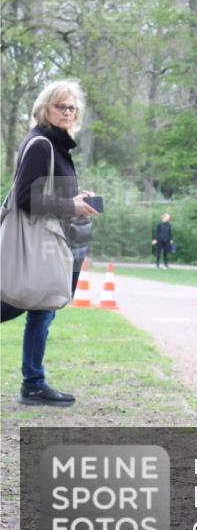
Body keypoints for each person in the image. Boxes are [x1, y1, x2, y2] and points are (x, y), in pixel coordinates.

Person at [0, 80, 100, 406]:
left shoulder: (56, 145)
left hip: (57, 239)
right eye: (61, 106)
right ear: (46, 108)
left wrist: (76, 198)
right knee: (25, 303)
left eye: (72, 108)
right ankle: (32, 383)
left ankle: (33, 383)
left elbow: (47, 191)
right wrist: (71, 205)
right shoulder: (42, 144)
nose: (68, 112)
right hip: (41, 243)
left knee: (41, 308)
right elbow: (27, 198)